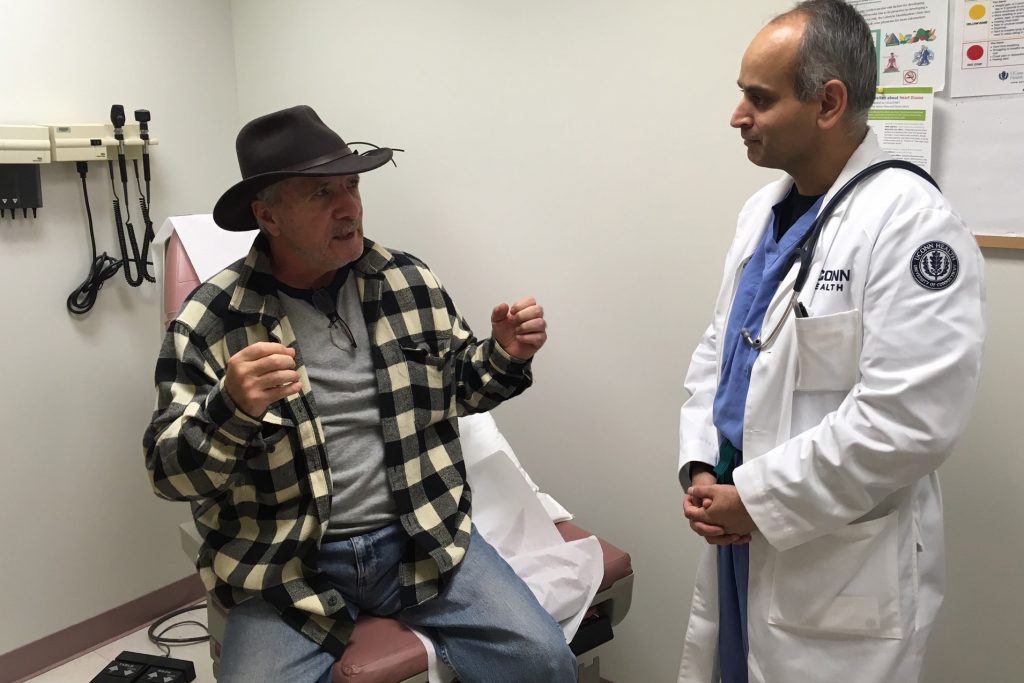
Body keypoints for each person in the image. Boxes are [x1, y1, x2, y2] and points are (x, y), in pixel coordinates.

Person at [144, 105, 577, 683]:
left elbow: (460, 391)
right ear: (267, 215)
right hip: (287, 569)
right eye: (321, 193)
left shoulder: (407, 282)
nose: (349, 206)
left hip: (422, 537)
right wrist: (230, 409)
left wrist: (504, 354)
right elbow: (169, 475)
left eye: (351, 184)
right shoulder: (210, 322)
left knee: (542, 661)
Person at [676, 2, 984, 682]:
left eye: (758, 98)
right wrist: (701, 461)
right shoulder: (762, 213)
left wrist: (755, 499)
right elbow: (720, 355)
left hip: (833, 558)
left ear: (828, 101)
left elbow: (909, 422)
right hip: (739, 525)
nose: (737, 115)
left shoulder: (912, 224)